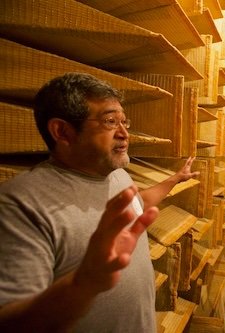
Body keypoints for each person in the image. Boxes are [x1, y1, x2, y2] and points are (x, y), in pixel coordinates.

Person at [0, 72, 199, 332]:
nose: (125, 133)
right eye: (110, 121)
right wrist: (85, 284)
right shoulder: (22, 204)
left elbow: (137, 203)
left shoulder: (117, 175)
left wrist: (175, 180)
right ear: (62, 131)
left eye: (124, 121)